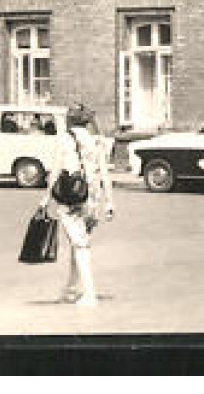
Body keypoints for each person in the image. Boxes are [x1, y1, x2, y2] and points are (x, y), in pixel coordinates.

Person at [46, 105, 115, 307]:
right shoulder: (97, 141)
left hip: (71, 198)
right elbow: (105, 174)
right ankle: (71, 289)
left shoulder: (64, 139)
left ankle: (90, 293)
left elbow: (56, 171)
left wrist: (46, 198)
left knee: (80, 245)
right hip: (92, 199)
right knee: (78, 241)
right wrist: (109, 202)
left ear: (69, 120)